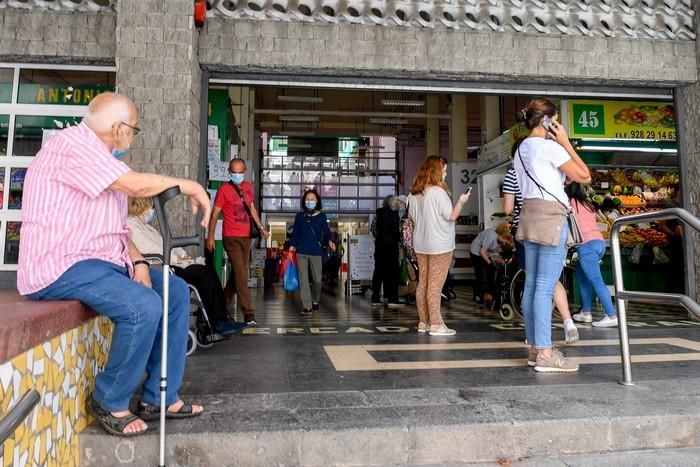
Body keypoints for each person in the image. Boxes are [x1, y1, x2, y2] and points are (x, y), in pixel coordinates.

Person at [17, 93, 208, 436]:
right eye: (133, 130)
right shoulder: (71, 147)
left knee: (175, 291)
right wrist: (192, 186)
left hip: (104, 263)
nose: (132, 137)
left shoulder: (103, 160)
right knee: (142, 306)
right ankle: (109, 400)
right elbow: (136, 185)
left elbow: (118, 230)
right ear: (119, 128)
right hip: (62, 264)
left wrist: (137, 263)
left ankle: (159, 396)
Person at [513, 97, 591, 373]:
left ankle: (536, 348)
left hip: (530, 215)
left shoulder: (521, 149)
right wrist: (566, 142)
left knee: (533, 284)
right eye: (556, 120)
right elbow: (584, 175)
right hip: (551, 217)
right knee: (545, 286)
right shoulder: (549, 148)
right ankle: (545, 353)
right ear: (547, 121)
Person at [127, 197, 241, 336]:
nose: (153, 211)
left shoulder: (146, 227)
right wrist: (177, 258)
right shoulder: (131, 225)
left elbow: (166, 243)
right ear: (142, 207)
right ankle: (218, 321)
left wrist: (182, 255)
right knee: (203, 273)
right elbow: (151, 248)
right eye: (151, 208)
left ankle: (220, 318)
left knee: (207, 269)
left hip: (171, 262)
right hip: (162, 267)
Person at [503, 145, 580, 345]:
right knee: (550, 279)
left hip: (527, 228)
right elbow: (579, 175)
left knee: (534, 283)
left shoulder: (513, 173)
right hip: (554, 224)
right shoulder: (548, 167)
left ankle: (536, 339)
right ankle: (568, 322)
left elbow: (508, 208)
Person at [408, 156, 470, 336]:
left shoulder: (413, 195)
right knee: (435, 285)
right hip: (440, 245)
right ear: (435, 170)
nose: (445, 172)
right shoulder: (437, 192)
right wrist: (461, 202)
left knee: (424, 283)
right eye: (443, 169)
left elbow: (413, 219)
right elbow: (451, 216)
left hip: (420, 244)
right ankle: (435, 324)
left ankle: (423, 321)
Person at [206, 158, 270, 326]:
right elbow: (214, 215)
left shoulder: (248, 187)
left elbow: (252, 209)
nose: (237, 175)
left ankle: (220, 305)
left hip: (246, 237)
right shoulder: (224, 190)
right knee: (241, 274)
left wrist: (261, 228)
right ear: (229, 172)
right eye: (233, 172)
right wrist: (210, 236)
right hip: (231, 237)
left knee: (237, 274)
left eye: (240, 172)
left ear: (245, 170)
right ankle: (248, 313)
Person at [567, 183, 618, 327]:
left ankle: (611, 315)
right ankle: (586, 313)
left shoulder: (569, 203)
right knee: (582, 277)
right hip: (598, 242)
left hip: (586, 244)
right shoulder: (587, 204)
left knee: (596, 280)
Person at [289, 189, 335, 316]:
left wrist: (330, 240)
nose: (310, 201)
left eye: (312, 199)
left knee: (318, 280)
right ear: (304, 201)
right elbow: (295, 233)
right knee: (303, 280)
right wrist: (292, 246)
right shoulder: (299, 216)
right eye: (307, 199)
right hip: (301, 251)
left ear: (317, 201)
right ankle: (307, 307)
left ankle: (315, 300)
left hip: (316, 251)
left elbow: (326, 231)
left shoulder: (322, 216)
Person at [371, 195, 403, 308]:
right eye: (396, 201)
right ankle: (392, 298)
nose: (399, 203)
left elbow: (374, 230)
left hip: (380, 247)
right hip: (391, 247)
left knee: (378, 272)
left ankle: (375, 298)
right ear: (391, 202)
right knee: (393, 272)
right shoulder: (394, 214)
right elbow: (396, 231)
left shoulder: (378, 214)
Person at [469, 223, 513, 304]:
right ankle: (477, 296)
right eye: (504, 242)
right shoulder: (491, 236)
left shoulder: (499, 239)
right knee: (480, 274)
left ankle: (489, 295)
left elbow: (495, 249)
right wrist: (490, 263)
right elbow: (482, 252)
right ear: (501, 236)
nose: (504, 244)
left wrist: (502, 257)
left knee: (491, 273)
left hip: (484, 252)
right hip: (476, 252)